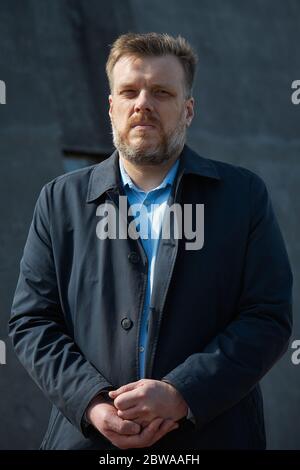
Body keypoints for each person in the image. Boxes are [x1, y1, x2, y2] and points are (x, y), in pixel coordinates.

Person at [9, 32, 293, 450]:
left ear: (188, 109)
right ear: (111, 107)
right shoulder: (60, 201)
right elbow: (32, 322)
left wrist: (182, 393)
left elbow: (267, 317)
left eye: (161, 92)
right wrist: (91, 402)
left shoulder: (243, 196)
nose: (143, 103)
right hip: (88, 441)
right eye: (129, 92)